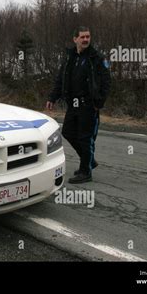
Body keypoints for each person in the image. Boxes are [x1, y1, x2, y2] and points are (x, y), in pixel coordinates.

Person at [46, 27, 111, 183]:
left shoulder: (97, 58)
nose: (86, 40)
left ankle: (85, 171)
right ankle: (89, 160)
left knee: (85, 138)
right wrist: (53, 97)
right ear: (75, 39)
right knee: (68, 132)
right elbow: (60, 79)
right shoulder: (70, 58)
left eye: (88, 36)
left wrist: (98, 103)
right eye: (82, 37)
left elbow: (106, 82)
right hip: (73, 105)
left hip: (89, 105)